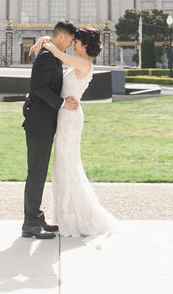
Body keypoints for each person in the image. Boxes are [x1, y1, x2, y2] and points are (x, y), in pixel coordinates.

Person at [34, 26, 118, 238]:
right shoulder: (76, 63)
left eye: (77, 43)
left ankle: (79, 217)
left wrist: (48, 41)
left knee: (68, 165)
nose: (73, 45)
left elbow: (59, 54)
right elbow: (59, 54)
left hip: (70, 118)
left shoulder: (83, 64)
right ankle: (65, 216)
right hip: (65, 115)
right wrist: (47, 39)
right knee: (62, 165)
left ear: (85, 46)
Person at [21, 20, 78, 239]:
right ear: (62, 37)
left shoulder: (50, 53)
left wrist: (45, 40)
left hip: (43, 123)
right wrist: (62, 103)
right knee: (35, 172)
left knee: (39, 172)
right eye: (70, 40)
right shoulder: (46, 57)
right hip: (38, 123)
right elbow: (39, 88)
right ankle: (30, 223)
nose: (71, 45)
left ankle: (35, 217)